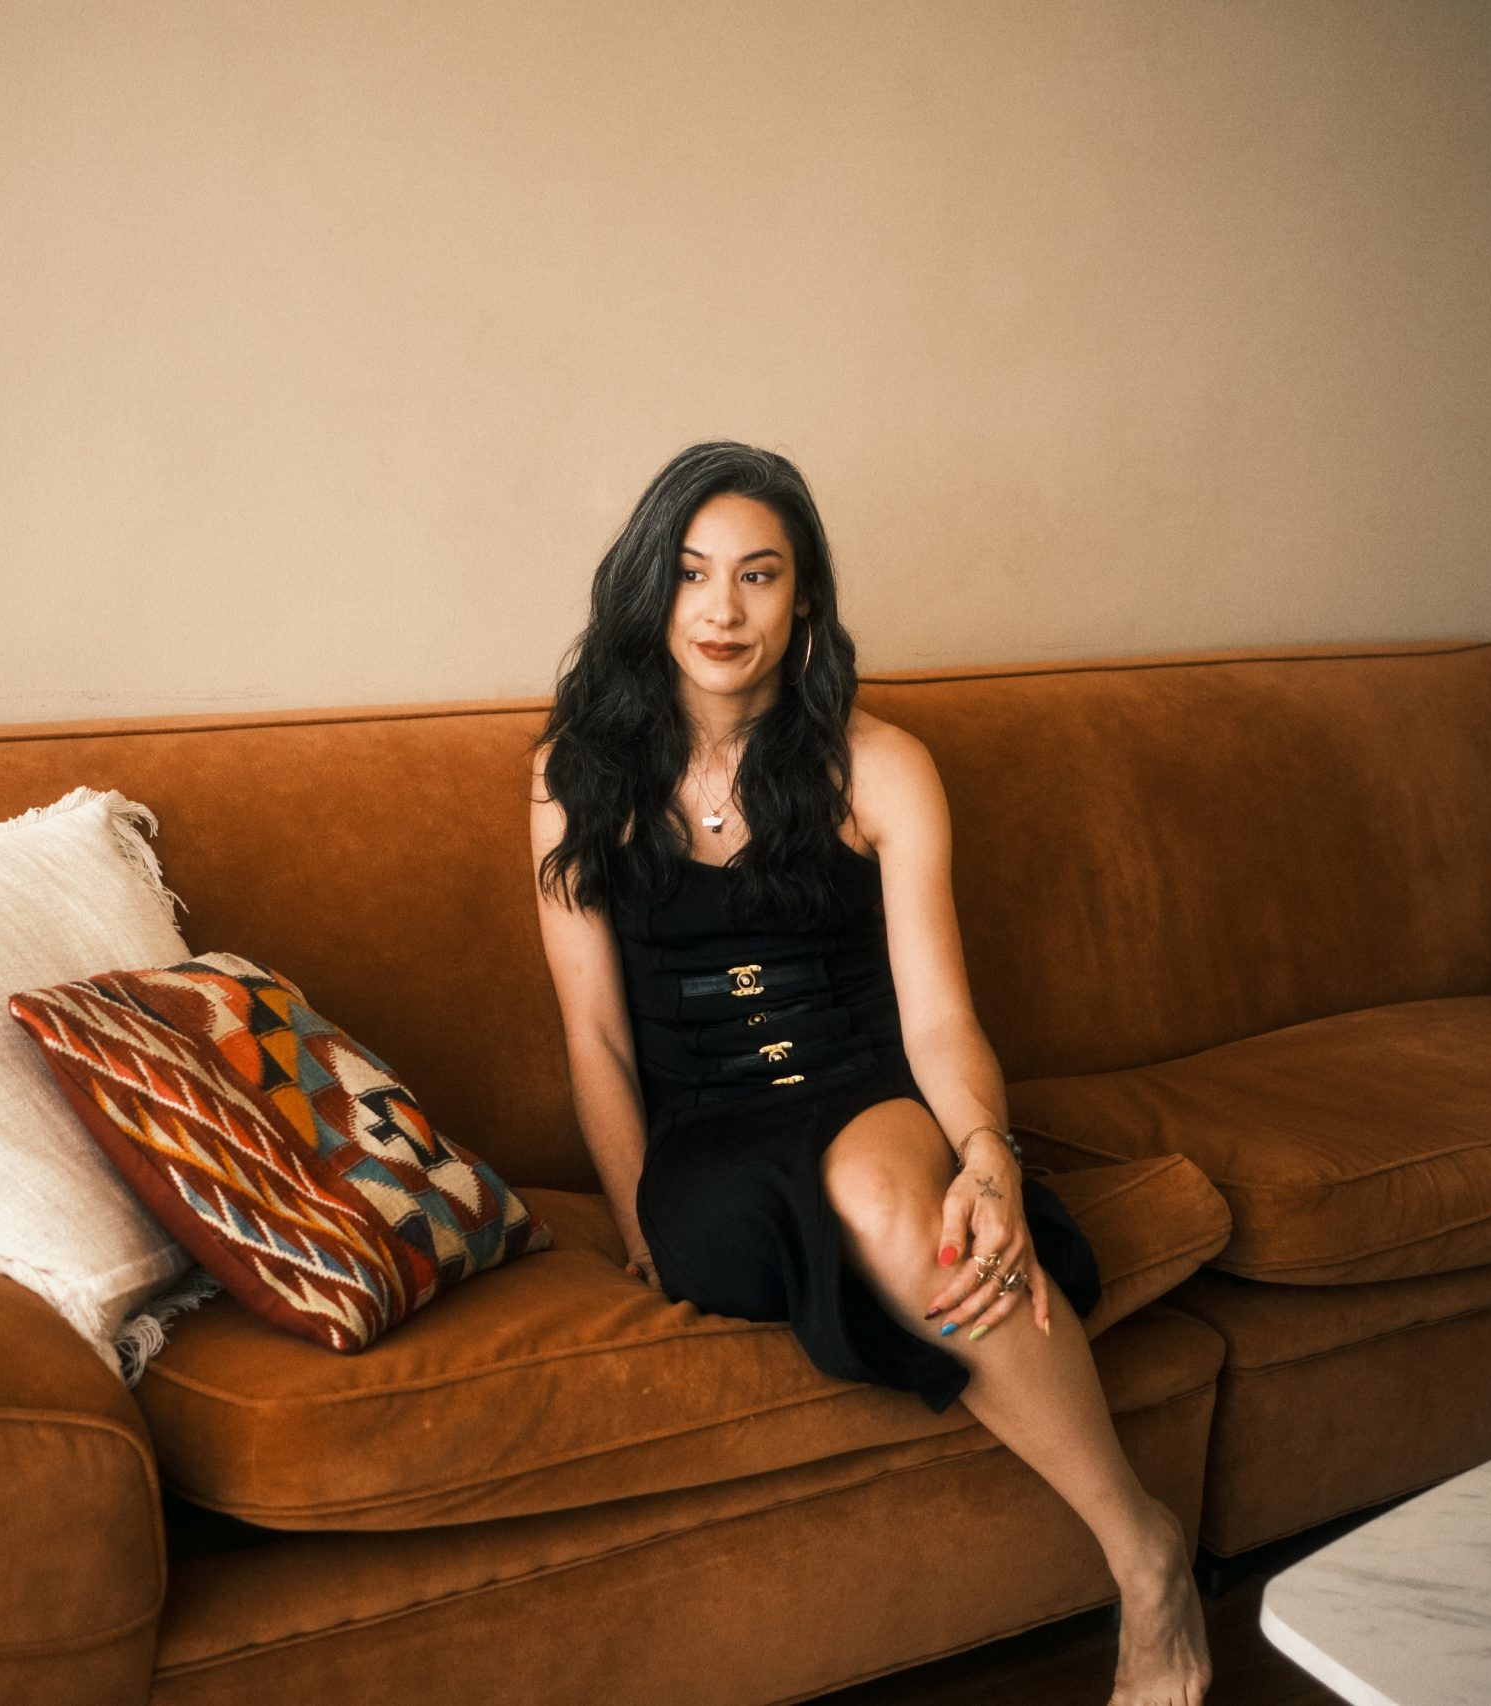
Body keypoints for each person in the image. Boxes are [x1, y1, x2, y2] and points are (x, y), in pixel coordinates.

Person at [526, 441, 1212, 1706]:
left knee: (903, 1205)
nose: (721, 608)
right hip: (705, 1145)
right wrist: (633, 1226)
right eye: (691, 572)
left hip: (864, 1096)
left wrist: (988, 1154)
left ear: (803, 601)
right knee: (874, 1210)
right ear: (649, 589)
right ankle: (1141, 1533)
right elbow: (598, 1040)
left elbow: (939, 1016)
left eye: (758, 574)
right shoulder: (577, 777)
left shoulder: (879, 763)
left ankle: (1143, 1553)